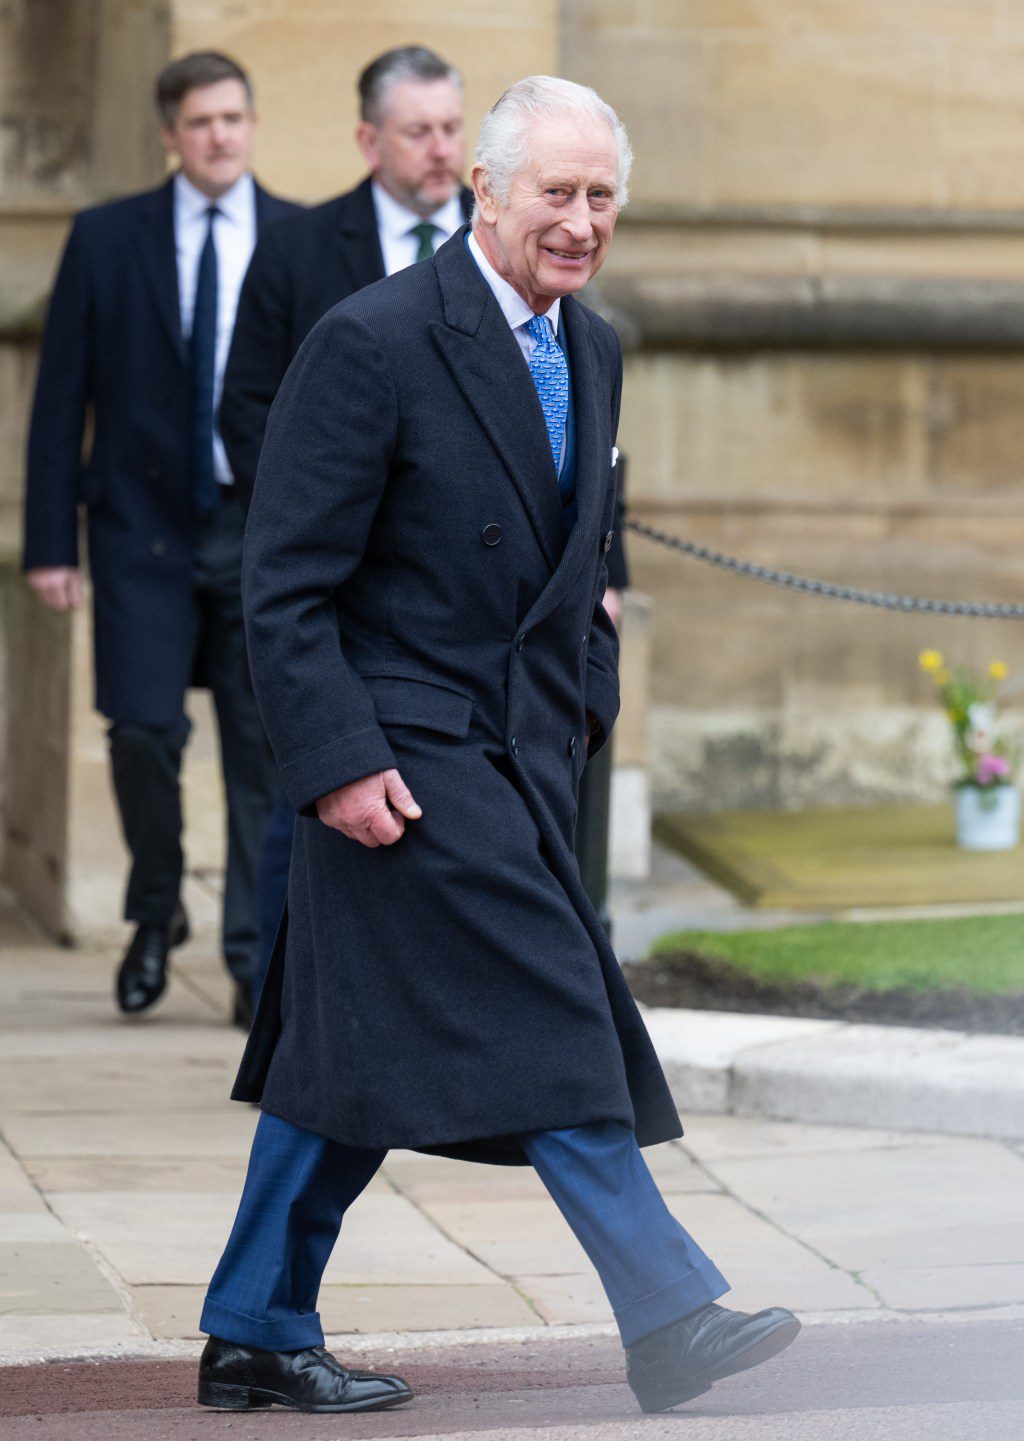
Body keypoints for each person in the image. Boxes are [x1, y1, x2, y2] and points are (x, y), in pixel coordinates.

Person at [196, 76, 799, 1417]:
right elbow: (281, 578)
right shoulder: (374, 339)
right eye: (558, 194)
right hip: (402, 758)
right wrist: (337, 758)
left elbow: (587, 559)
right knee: (555, 1015)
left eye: (603, 199)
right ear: (485, 187)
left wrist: (588, 704)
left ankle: (252, 1324)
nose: (582, 223)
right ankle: (669, 1313)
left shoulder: (599, 346)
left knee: (345, 1054)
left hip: (518, 754)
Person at [22, 52, 296, 1025]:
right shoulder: (105, 238)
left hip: (261, 534)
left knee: (262, 752)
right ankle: (154, 908)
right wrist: (50, 543)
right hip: (139, 530)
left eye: (234, 116)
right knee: (142, 734)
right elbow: (62, 400)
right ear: (168, 134)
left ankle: (254, 959)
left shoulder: (303, 239)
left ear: (252, 123)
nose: (220, 135)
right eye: (200, 121)